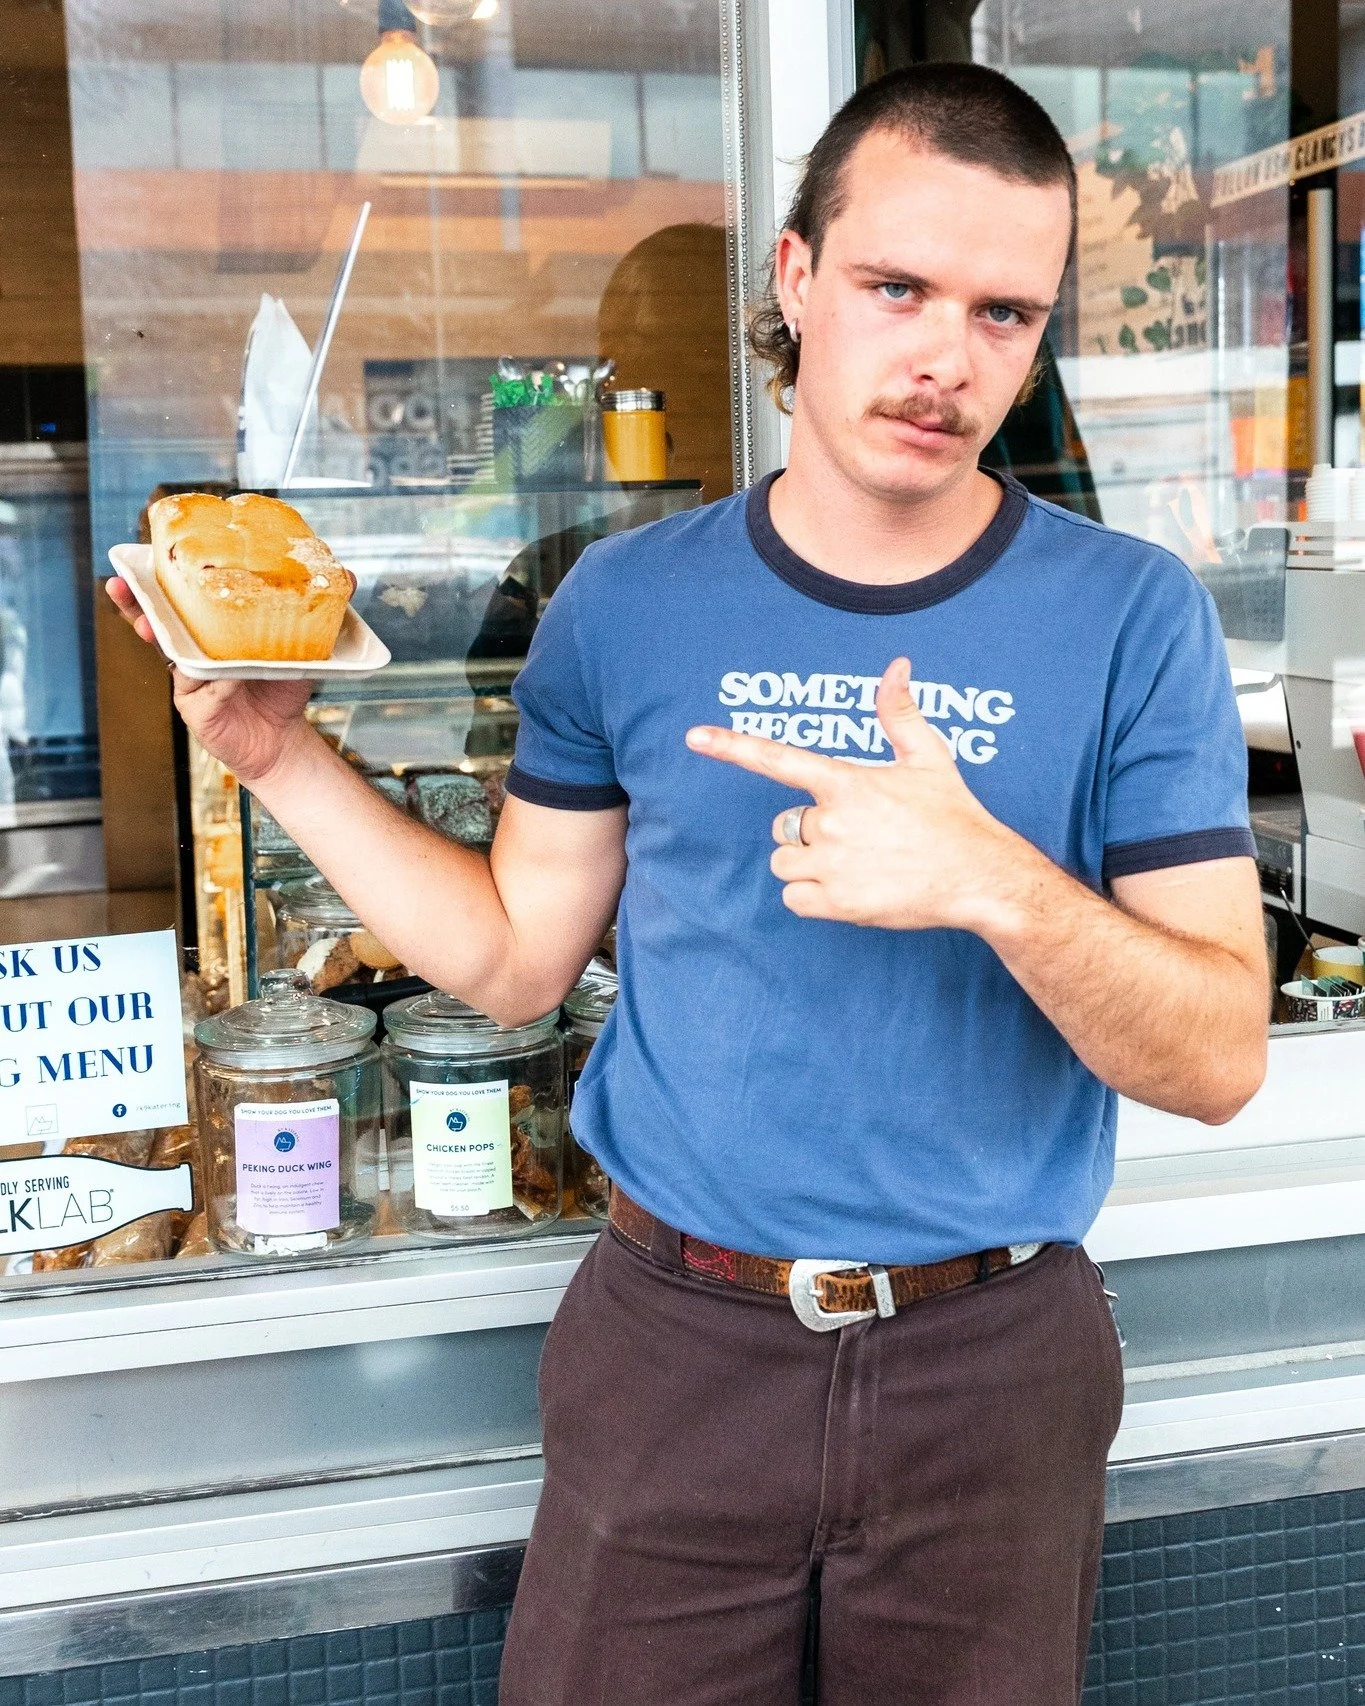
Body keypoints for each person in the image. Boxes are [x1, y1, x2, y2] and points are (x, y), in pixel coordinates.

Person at [109, 63, 1268, 1706]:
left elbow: (1220, 1051)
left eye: (1005, 313)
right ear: (795, 278)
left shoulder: (1130, 616)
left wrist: (993, 880)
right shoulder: (626, 605)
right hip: (679, 1342)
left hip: (991, 1360)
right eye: (896, 288)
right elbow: (513, 959)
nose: (947, 355)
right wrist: (280, 754)